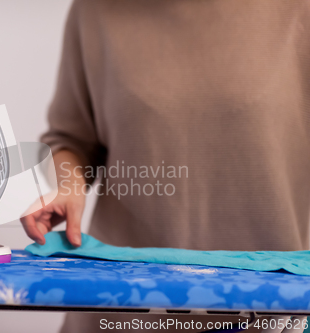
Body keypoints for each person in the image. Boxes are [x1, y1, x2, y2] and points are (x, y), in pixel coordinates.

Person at [20, 0, 310, 332]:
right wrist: (69, 187)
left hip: (270, 316)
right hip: (117, 315)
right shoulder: (95, 11)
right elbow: (71, 138)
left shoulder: (299, 11)